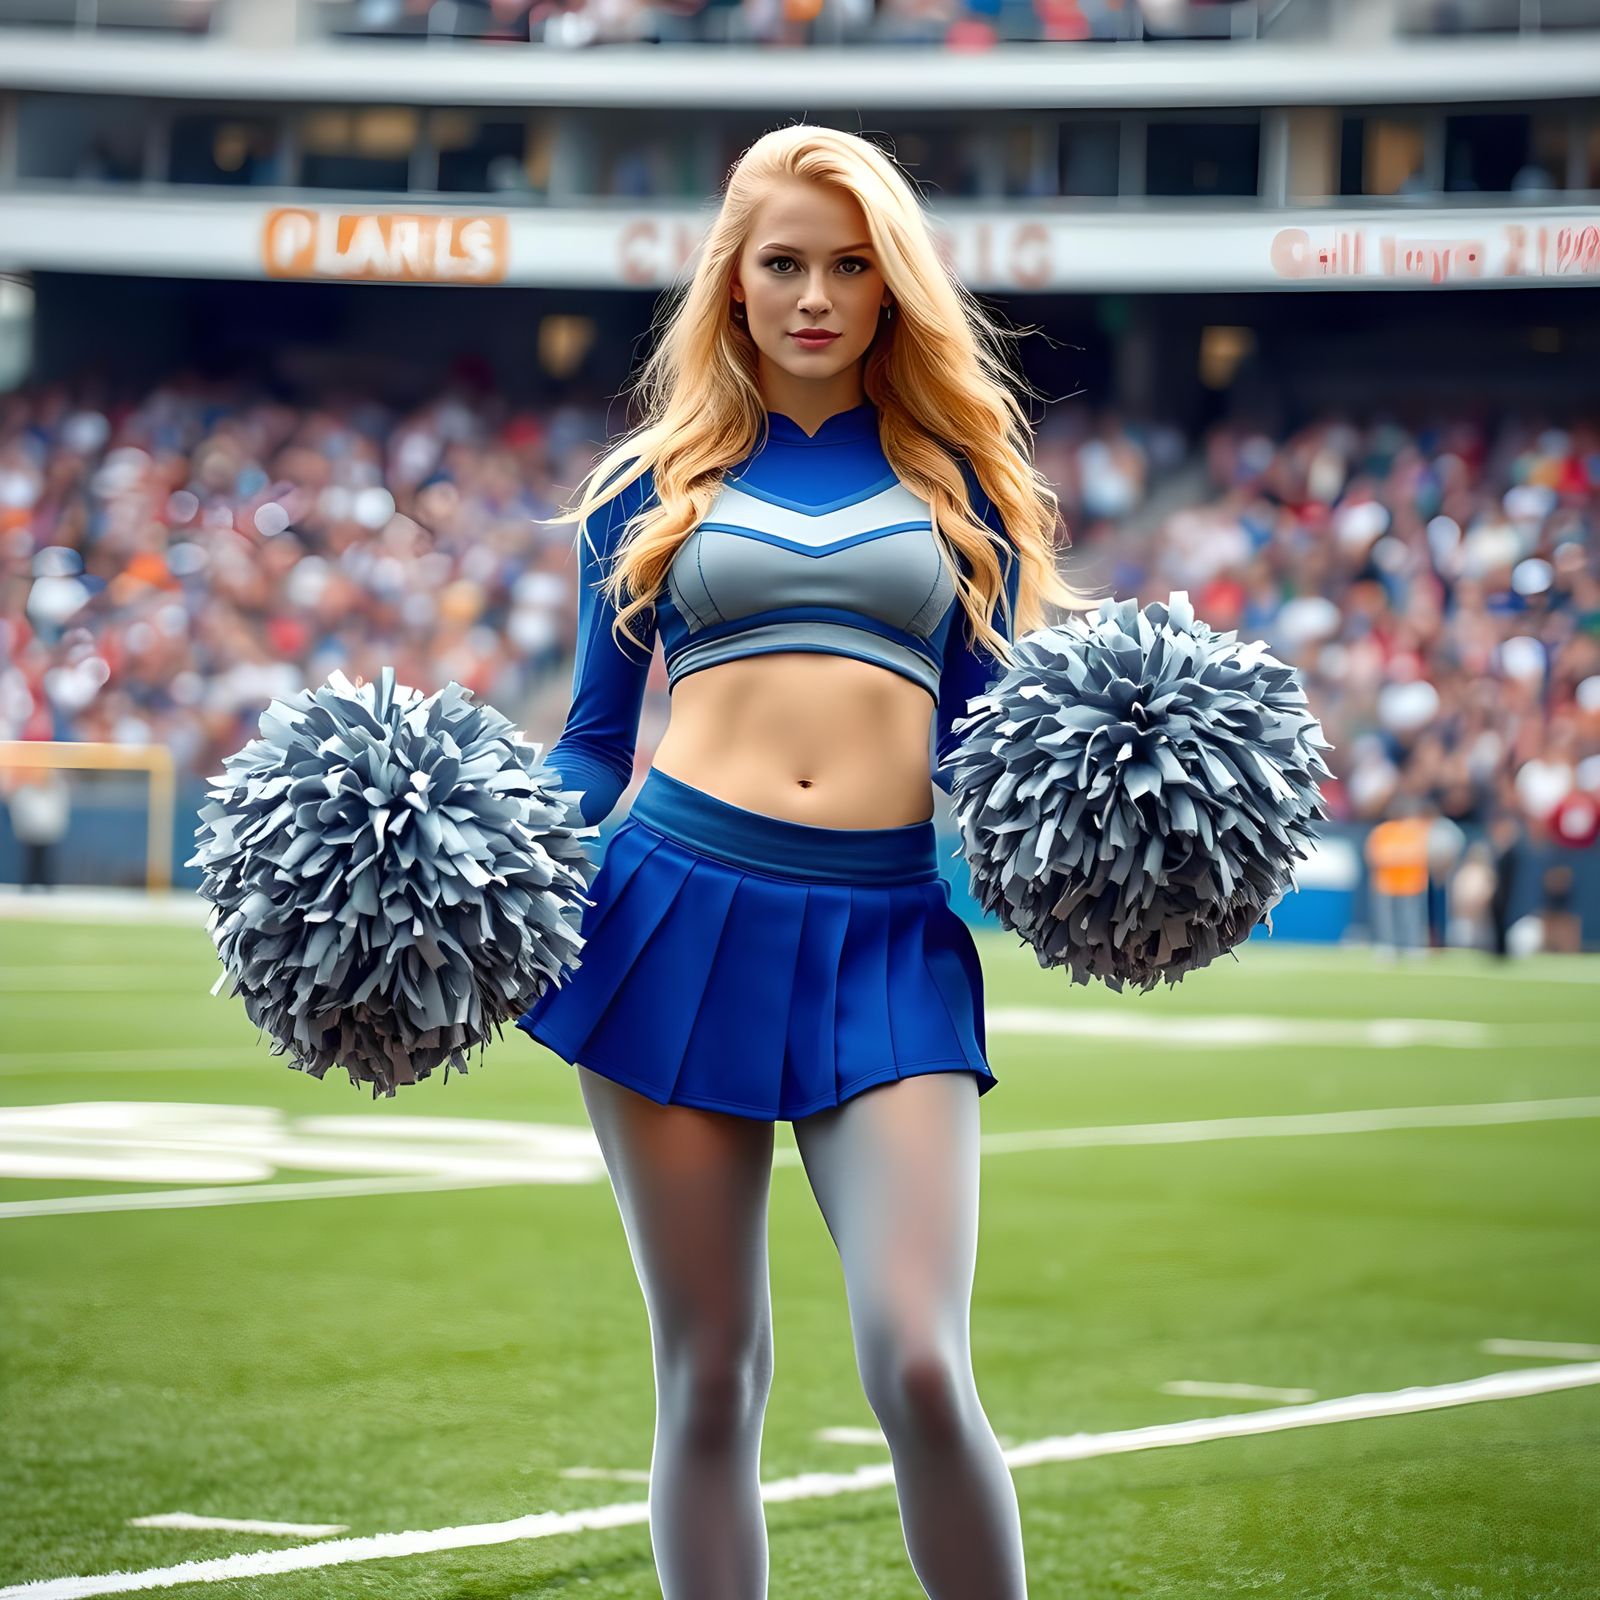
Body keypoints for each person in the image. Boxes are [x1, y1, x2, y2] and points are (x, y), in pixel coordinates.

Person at [515, 125, 1085, 1599]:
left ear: (894, 288)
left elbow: (990, 744)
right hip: (667, 918)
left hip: (885, 938)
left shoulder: (961, 485)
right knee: (711, 1374)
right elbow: (592, 740)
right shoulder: (645, 485)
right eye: (784, 264)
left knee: (918, 1361)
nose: (817, 295)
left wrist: (1092, 827)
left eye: (851, 266)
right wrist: (494, 856)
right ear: (734, 282)